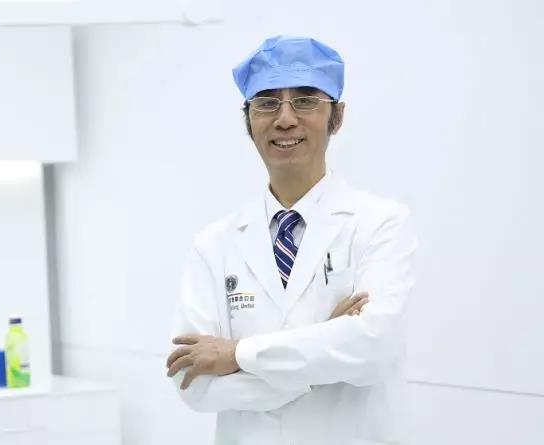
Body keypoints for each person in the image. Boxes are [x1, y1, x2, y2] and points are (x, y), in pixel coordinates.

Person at [166, 35, 418, 445]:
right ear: (248, 120)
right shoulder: (214, 244)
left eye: (304, 101)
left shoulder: (380, 224)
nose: (285, 119)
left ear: (337, 116)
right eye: (267, 102)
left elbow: (373, 349)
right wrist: (322, 357)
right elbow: (191, 382)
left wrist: (237, 355)